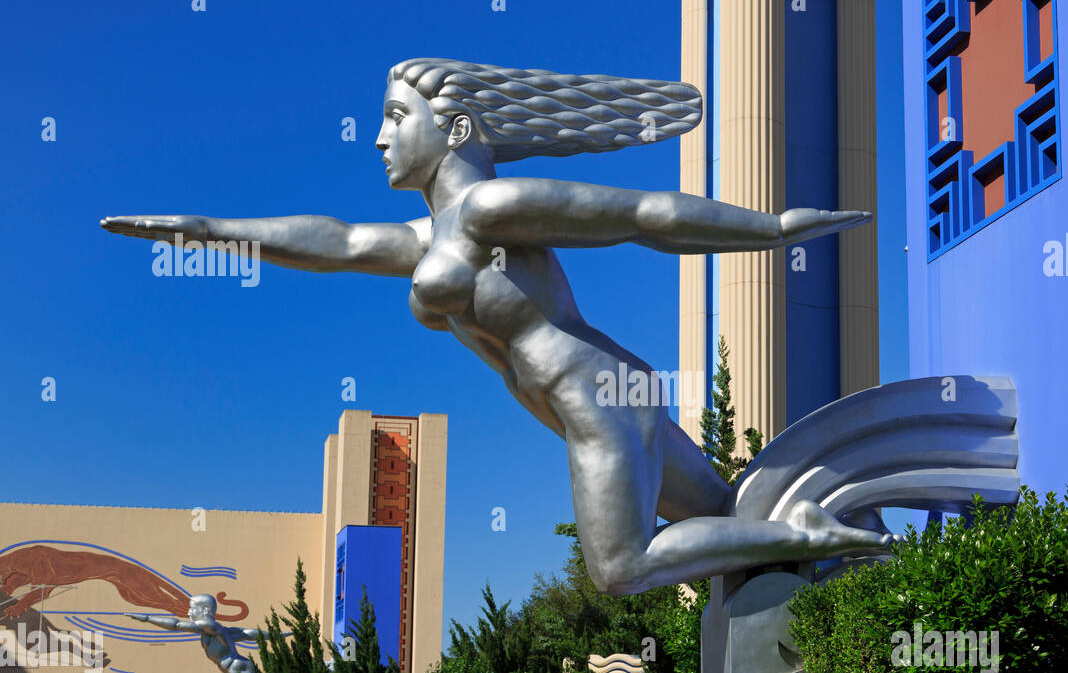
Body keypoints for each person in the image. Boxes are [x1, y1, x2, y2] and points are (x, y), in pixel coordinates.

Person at [103, 58, 894, 595]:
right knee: (729, 526)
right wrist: (203, 228)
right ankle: (827, 562)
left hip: (597, 400)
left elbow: (640, 217)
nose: (378, 139)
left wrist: (769, 229)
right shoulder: (425, 239)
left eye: (393, 118)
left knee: (620, 570)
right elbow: (334, 242)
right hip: (596, 400)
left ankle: (819, 538)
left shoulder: (489, 207)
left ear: (452, 130)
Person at [129, 595, 265, 673]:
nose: (189, 613)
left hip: (238, 669)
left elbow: (176, 625)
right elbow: (247, 634)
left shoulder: (210, 625)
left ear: (205, 610)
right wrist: (277, 635)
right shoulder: (212, 630)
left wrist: (147, 618)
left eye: (192, 608)